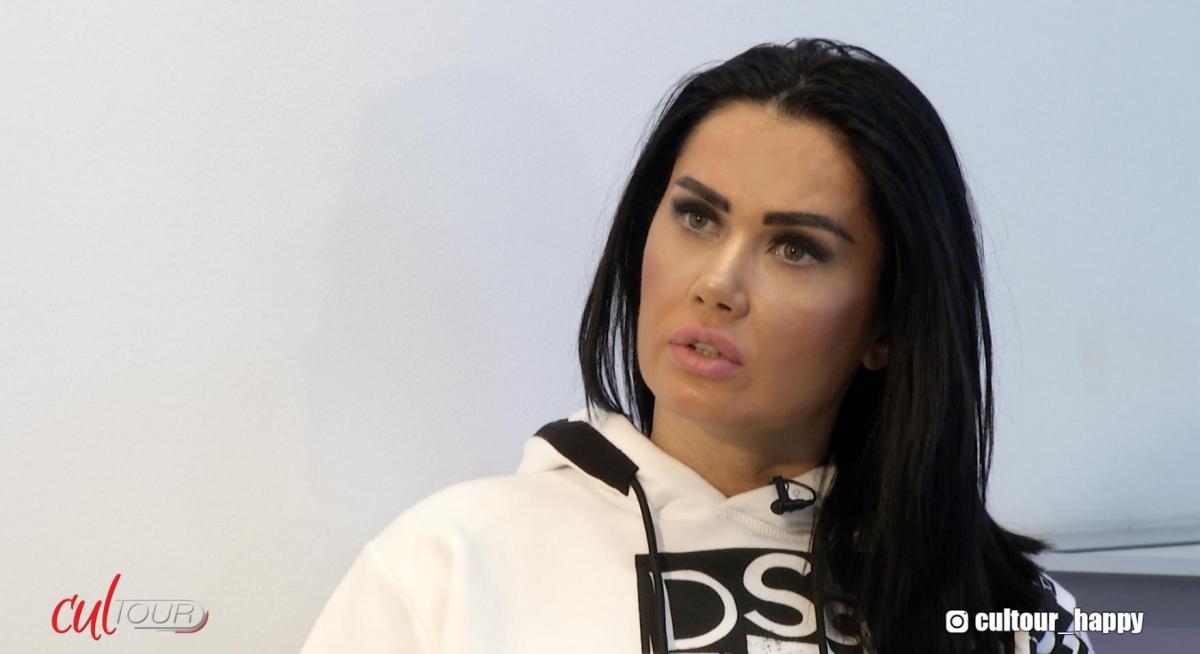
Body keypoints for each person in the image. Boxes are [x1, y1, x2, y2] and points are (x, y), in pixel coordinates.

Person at [300, 38, 1093, 654]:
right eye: (698, 217)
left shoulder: (1008, 617)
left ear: (886, 326)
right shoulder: (447, 564)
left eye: (794, 248)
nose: (718, 284)